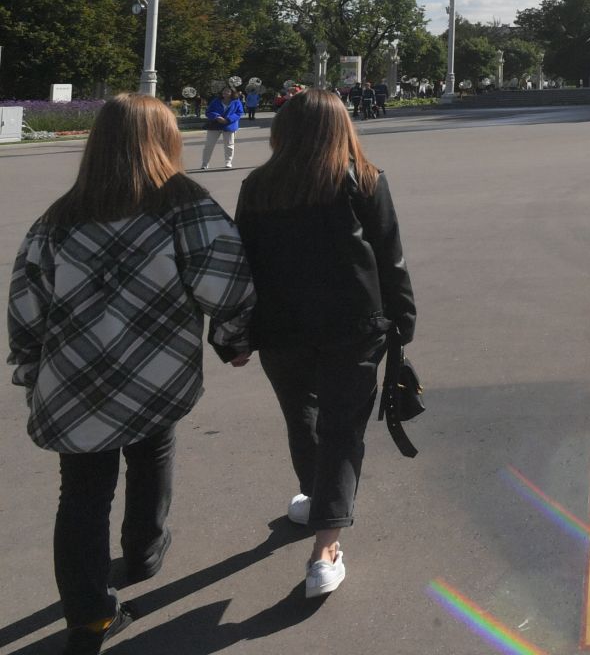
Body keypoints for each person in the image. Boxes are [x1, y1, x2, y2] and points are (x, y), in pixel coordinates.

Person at [7, 94, 255, 654]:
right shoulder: (185, 205)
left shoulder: (59, 217)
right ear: (164, 139)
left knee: (80, 497)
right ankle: (143, 552)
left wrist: (29, 365)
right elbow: (228, 280)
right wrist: (233, 339)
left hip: (73, 381)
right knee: (153, 452)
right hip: (155, 374)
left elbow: (26, 302)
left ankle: (88, 617)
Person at [234, 89, 416, 599]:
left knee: (304, 418)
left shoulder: (258, 185)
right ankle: (325, 548)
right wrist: (403, 320)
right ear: (342, 127)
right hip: (353, 325)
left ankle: (318, 502)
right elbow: (389, 257)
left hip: (281, 328)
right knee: (342, 429)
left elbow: (241, 267)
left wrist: (238, 330)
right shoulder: (364, 180)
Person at [199, 86, 244, 170]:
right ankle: (205, 163)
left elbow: (240, 112)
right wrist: (217, 117)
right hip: (215, 125)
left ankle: (228, 162)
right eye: (224, 91)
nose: (225, 93)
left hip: (229, 125)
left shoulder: (236, 102)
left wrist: (229, 119)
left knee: (229, 145)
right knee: (209, 145)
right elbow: (208, 112)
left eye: (227, 91)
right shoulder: (216, 101)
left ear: (232, 93)